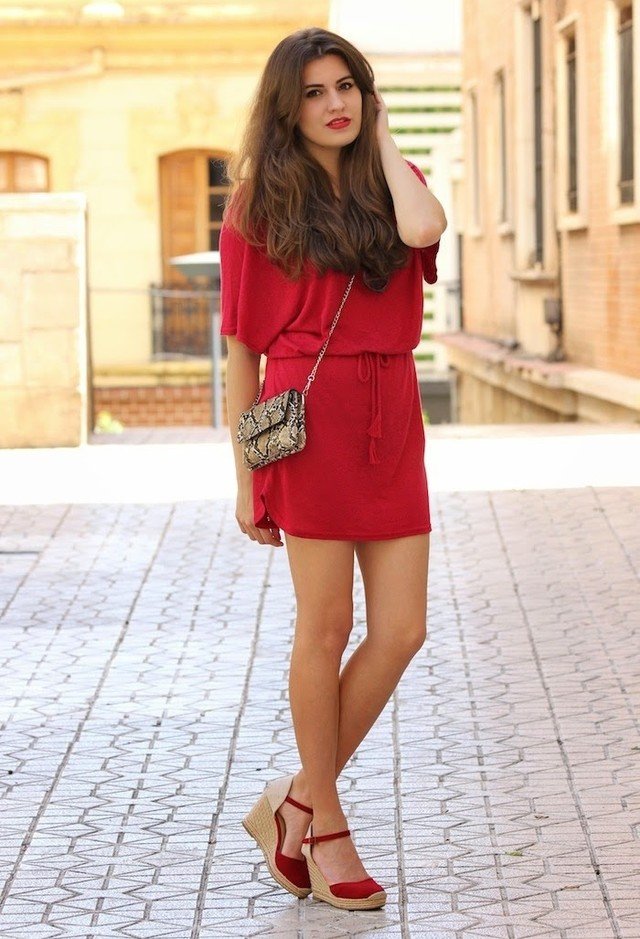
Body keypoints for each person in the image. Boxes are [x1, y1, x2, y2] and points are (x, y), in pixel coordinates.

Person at [220, 26, 447, 911]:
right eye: (314, 92)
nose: (335, 104)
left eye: (347, 85)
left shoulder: (393, 187)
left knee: (401, 629)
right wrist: (247, 474)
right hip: (308, 423)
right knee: (324, 626)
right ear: (289, 107)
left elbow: (426, 228)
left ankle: (297, 798)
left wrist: (385, 138)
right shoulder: (257, 206)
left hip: (394, 415)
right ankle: (329, 822)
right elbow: (241, 350)